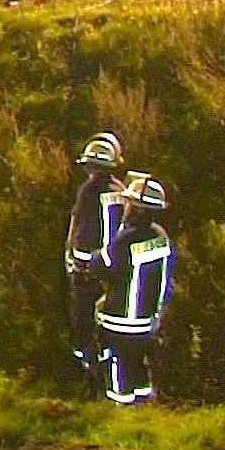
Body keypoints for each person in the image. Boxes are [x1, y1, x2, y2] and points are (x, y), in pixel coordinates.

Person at [91, 173, 173, 406]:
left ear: (137, 208)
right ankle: (144, 404)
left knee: (118, 363)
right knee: (138, 364)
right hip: (147, 319)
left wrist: (94, 257)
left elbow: (101, 265)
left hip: (119, 318)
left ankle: (121, 406)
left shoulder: (126, 239)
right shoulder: (161, 236)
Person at [64, 131, 126, 391]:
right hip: (110, 271)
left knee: (84, 322)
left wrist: (74, 261)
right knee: (106, 326)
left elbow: (79, 231)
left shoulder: (89, 192)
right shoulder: (120, 191)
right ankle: (107, 376)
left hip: (86, 271)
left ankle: (90, 375)